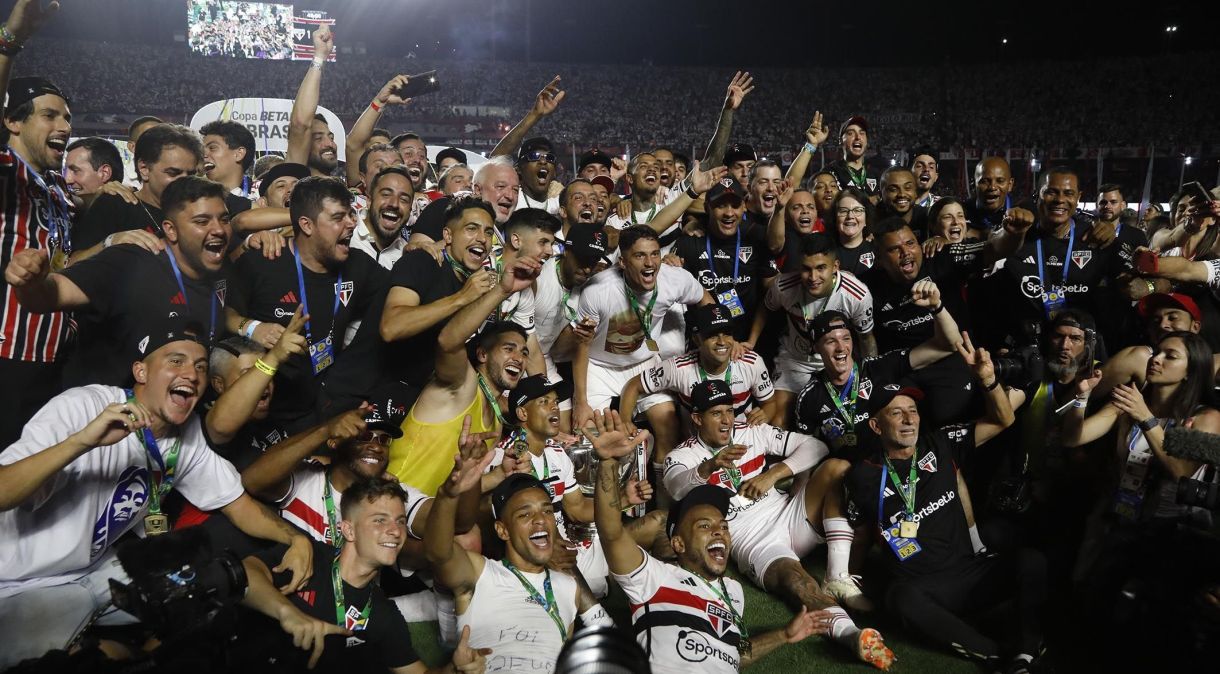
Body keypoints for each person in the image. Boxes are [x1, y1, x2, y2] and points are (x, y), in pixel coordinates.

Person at [0, 317, 314, 668]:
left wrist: (297, 539)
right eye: (175, 361)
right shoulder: (84, 406)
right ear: (141, 372)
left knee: (212, 587)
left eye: (199, 366)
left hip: (91, 572)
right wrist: (81, 442)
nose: (191, 374)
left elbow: (238, 505)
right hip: (13, 581)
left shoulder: (186, 436)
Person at [590, 409, 852, 673]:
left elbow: (733, 652)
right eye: (704, 526)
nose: (719, 531)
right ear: (678, 544)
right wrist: (608, 462)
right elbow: (611, 531)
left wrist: (783, 635)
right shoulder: (652, 576)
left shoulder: (733, 593)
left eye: (723, 526)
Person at [663, 379, 895, 667]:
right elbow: (675, 487)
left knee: (837, 468)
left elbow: (817, 447)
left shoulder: (752, 432)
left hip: (787, 512)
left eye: (729, 411)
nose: (727, 421)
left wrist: (772, 475)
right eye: (716, 414)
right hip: (753, 539)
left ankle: (837, 576)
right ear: (697, 418)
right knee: (796, 581)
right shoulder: (683, 455)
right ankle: (851, 635)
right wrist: (709, 466)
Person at [843, 340, 1041, 671]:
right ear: (876, 426)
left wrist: (989, 381)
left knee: (1031, 561)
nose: (908, 420)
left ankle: (1027, 651)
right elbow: (860, 534)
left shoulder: (941, 443)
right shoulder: (862, 476)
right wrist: (848, 580)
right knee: (900, 597)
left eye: (913, 411)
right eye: (896, 413)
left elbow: (1003, 419)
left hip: (970, 572)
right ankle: (996, 656)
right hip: (927, 591)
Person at [237, 476, 490, 673]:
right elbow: (247, 573)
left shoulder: (383, 613)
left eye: (401, 521)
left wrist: (455, 670)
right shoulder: (309, 555)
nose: (396, 531)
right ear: (348, 530)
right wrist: (289, 614)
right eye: (380, 520)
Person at [9, 175, 231, 387]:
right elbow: (50, 295)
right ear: (171, 230)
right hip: (106, 414)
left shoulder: (221, 273)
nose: (219, 230)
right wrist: (31, 282)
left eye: (224, 219)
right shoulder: (131, 261)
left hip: (168, 414)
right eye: (202, 221)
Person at [425, 421, 607, 674]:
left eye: (546, 510)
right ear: (502, 530)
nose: (540, 520)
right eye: (524, 515)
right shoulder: (480, 574)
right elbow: (438, 552)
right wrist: (447, 495)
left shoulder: (569, 588)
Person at [226, 176, 388, 430]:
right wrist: (251, 327)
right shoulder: (264, 262)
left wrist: (427, 247)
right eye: (338, 218)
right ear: (307, 225)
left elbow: (401, 294)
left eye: (351, 215)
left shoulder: (359, 267)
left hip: (323, 409)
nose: (351, 225)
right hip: (265, 413)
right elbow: (223, 312)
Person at [486, 374, 660, 597]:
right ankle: (595, 606)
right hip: (538, 555)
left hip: (571, 551)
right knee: (580, 571)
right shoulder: (505, 458)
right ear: (522, 413)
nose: (555, 408)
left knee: (659, 523)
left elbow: (578, 510)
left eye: (556, 402)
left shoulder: (557, 454)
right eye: (544, 402)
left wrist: (624, 498)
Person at [385, 250, 540, 496]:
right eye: (508, 349)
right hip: (393, 499)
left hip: (429, 519)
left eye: (523, 353)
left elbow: (462, 487)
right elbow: (448, 340)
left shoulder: (497, 422)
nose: (519, 359)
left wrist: (500, 475)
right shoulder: (464, 383)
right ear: (482, 355)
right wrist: (502, 291)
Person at [571, 226, 714, 470]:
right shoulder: (597, 290)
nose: (650, 263)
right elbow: (581, 347)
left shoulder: (674, 279)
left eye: (655, 254)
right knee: (592, 438)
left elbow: (705, 300)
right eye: (639, 256)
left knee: (668, 424)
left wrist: (713, 339)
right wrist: (581, 401)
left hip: (644, 361)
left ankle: (660, 500)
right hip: (599, 367)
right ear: (623, 262)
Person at [0, 0, 75, 450]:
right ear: (11, 120)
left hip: (52, 355)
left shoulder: (57, 188)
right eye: (50, 115)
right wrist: (12, 39)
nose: (64, 124)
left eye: (66, 116)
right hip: (7, 352)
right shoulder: (6, 168)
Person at [763, 232, 875, 419]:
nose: (813, 277)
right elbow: (765, 308)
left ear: (835, 266)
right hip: (795, 359)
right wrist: (751, 340)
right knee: (778, 421)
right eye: (806, 269)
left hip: (838, 362)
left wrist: (869, 377)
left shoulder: (857, 294)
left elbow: (866, 338)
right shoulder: (783, 286)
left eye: (821, 268)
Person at [620, 303, 776, 424]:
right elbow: (633, 386)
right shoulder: (677, 368)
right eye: (712, 335)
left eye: (727, 334)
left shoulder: (752, 363)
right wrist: (625, 423)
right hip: (696, 454)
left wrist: (765, 415)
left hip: (743, 447)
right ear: (697, 339)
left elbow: (770, 403)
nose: (722, 342)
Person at [674, 176, 775, 342]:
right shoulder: (689, 242)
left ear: (743, 207)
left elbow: (770, 291)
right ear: (707, 208)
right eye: (720, 206)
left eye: (735, 205)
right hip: (704, 342)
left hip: (747, 343)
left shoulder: (756, 237)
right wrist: (670, 262)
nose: (729, 213)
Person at [532, 223, 606, 427]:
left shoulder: (587, 287)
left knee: (566, 420)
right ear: (566, 251)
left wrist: (580, 336)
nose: (587, 268)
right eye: (582, 259)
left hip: (546, 358)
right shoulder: (539, 277)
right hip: (518, 357)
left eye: (593, 261)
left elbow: (557, 349)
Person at [286, 24, 338, 178]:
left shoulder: (351, 196)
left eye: (331, 137)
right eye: (318, 138)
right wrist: (320, 56)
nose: (330, 144)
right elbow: (301, 124)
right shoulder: (294, 184)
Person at [201, 119, 256, 203]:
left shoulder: (261, 193)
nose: (203, 155)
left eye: (212, 148)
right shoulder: (194, 195)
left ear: (239, 154)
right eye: (202, 150)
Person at [826, 186, 877, 277]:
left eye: (857, 210)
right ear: (835, 218)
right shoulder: (825, 252)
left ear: (866, 218)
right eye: (843, 211)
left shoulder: (878, 249)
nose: (850, 216)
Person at [826, 116, 880, 198]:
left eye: (862, 133)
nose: (858, 137)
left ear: (867, 140)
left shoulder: (877, 172)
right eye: (850, 133)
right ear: (840, 140)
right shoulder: (831, 172)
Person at [64, 137, 124, 206]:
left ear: (105, 173)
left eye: (75, 171)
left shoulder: (127, 213)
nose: (67, 180)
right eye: (66, 171)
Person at [515, 137, 561, 215]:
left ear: (554, 173)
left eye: (550, 158)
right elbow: (494, 161)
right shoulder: (510, 202)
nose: (543, 161)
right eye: (534, 156)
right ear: (519, 169)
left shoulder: (561, 207)